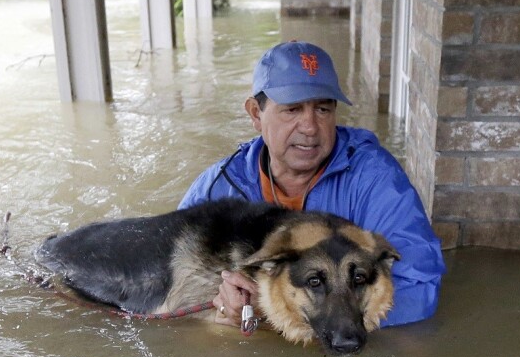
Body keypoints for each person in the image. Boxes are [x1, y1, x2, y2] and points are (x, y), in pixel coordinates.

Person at [178, 41, 446, 329]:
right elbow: (173, 281)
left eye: (322, 109)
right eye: (292, 110)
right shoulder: (220, 187)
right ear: (256, 113)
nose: (310, 127)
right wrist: (221, 306)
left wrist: (284, 315)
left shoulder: (374, 179)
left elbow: (420, 287)